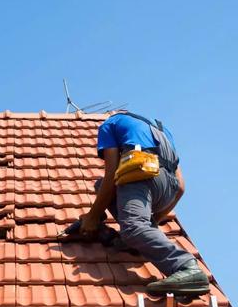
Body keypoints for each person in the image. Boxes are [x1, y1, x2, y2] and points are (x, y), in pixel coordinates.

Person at [79, 111, 210, 295]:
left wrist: (92, 217)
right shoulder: (162, 131)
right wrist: (154, 221)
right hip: (167, 189)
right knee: (102, 187)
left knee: (132, 226)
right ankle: (140, 240)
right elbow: (181, 187)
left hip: (141, 174)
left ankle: (186, 267)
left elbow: (111, 176)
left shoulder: (109, 125)